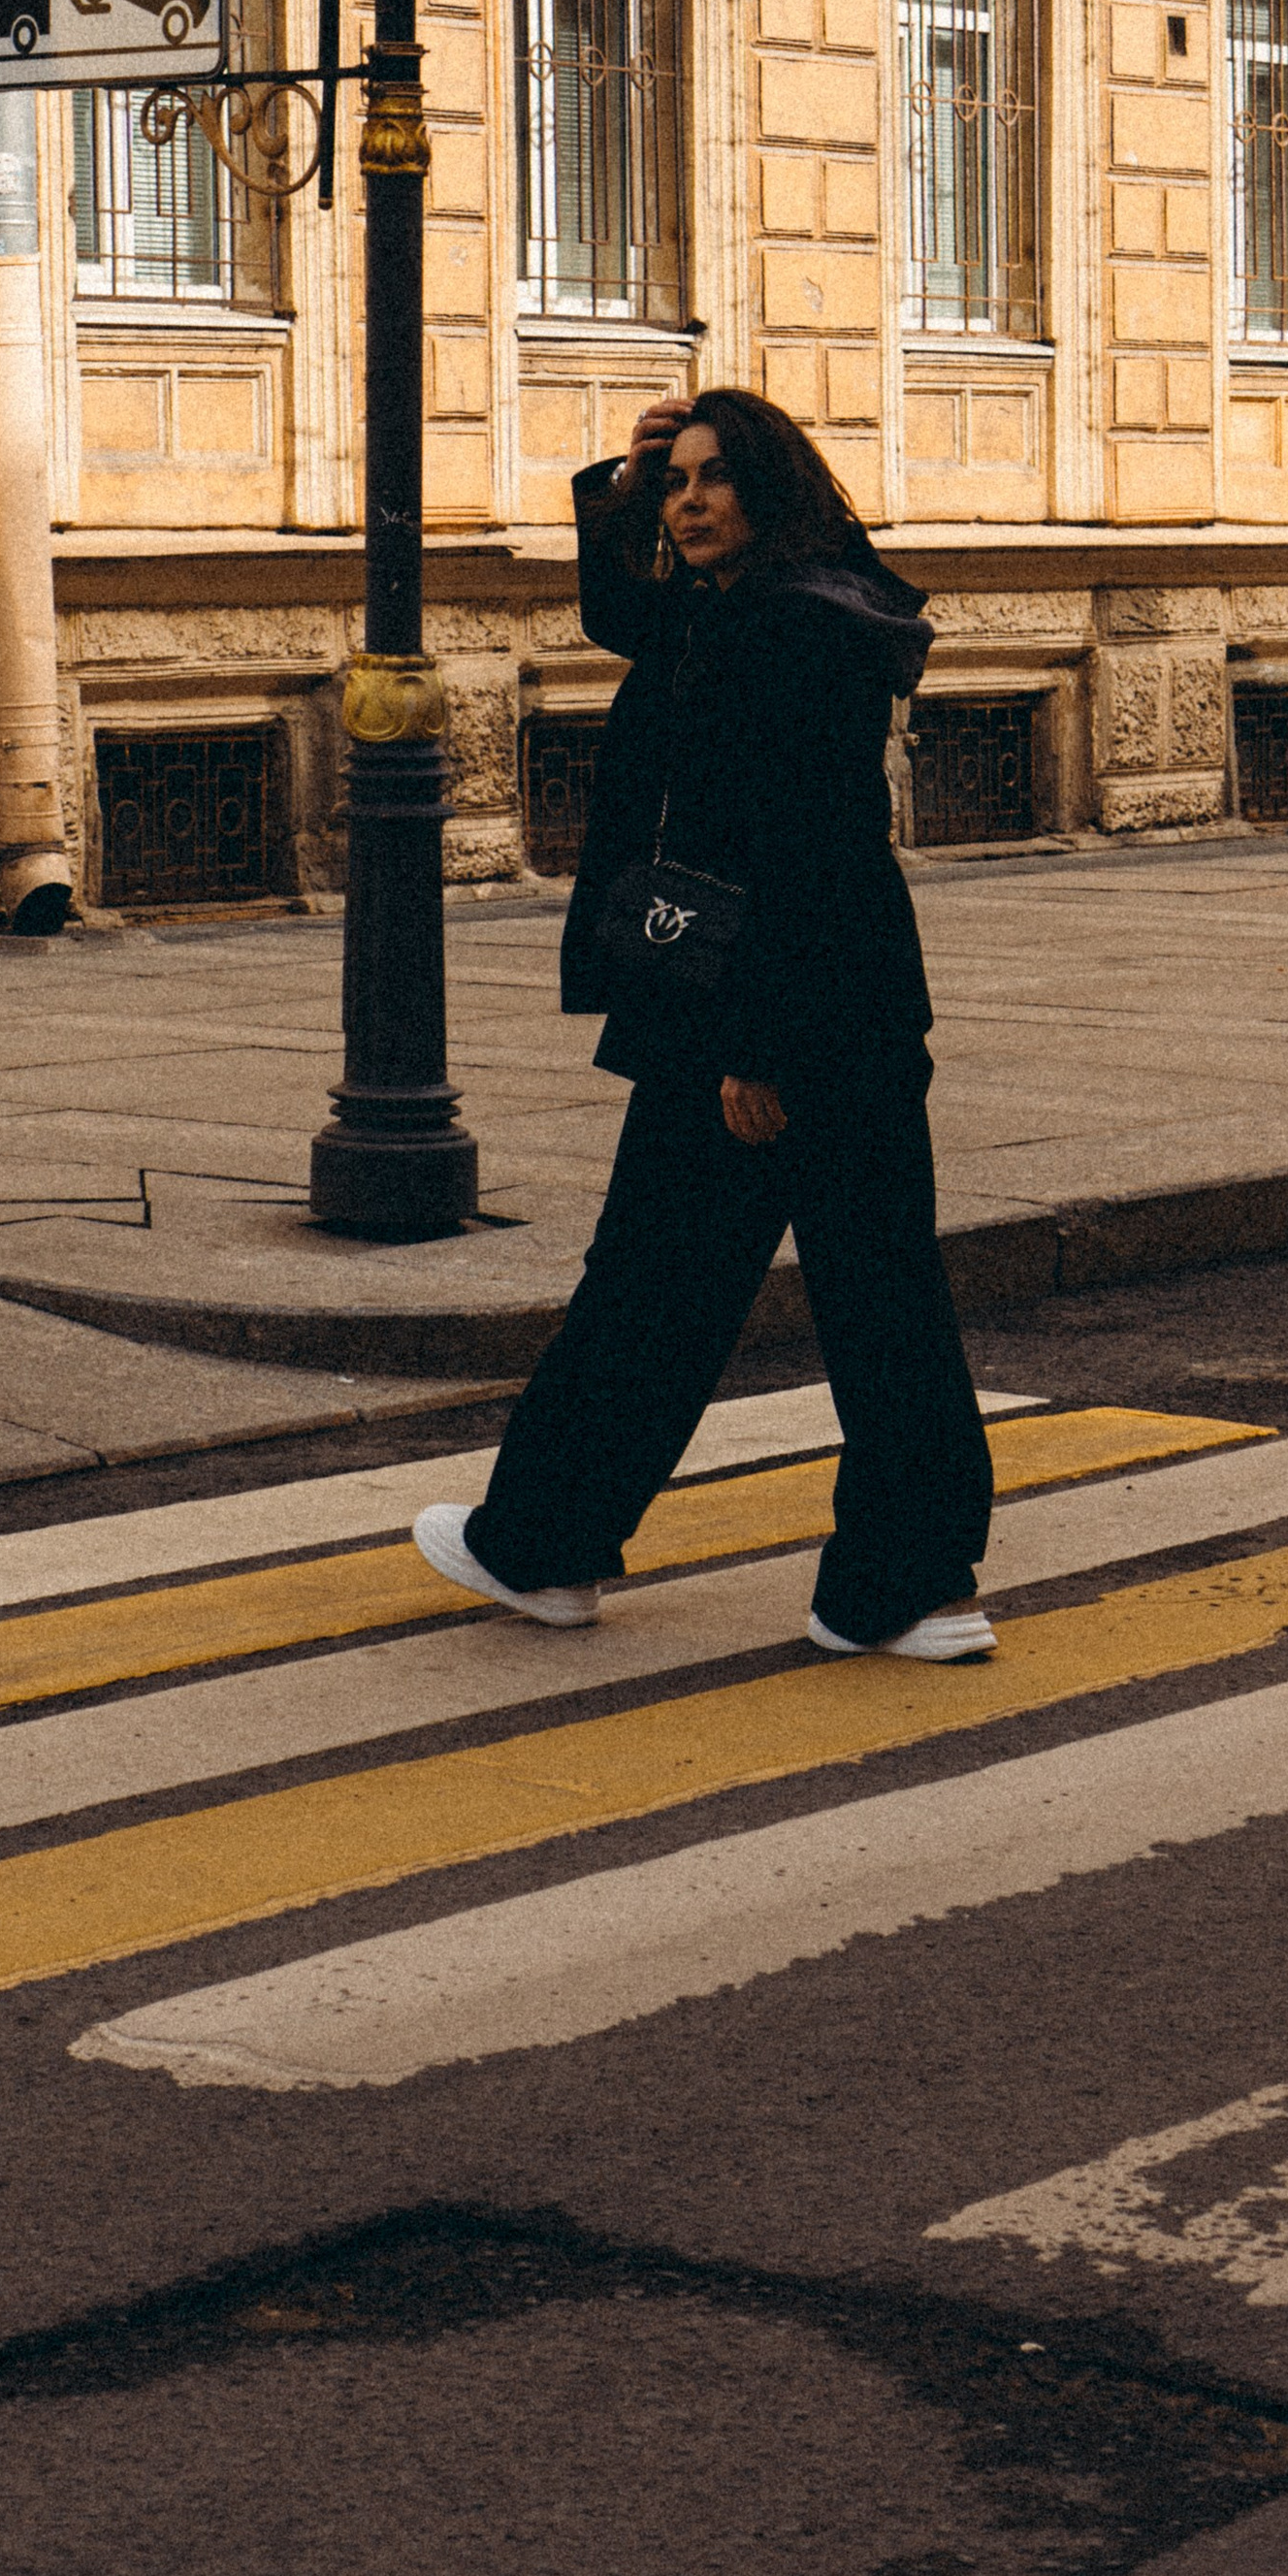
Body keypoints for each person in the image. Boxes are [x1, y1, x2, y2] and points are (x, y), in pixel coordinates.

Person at [414, 388, 997, 1658]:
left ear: (771, 490)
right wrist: (620, 486)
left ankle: (547, 1546)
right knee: (853, 1297)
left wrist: (755, 1049)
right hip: (832, 1010)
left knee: (654, 1296)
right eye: (673, 481)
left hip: (760, 1023)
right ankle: (908, 1585)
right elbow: (628, 611)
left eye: (713, 477)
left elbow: (807, 850)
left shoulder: (777, 634)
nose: (686, 501)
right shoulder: (791, 606)